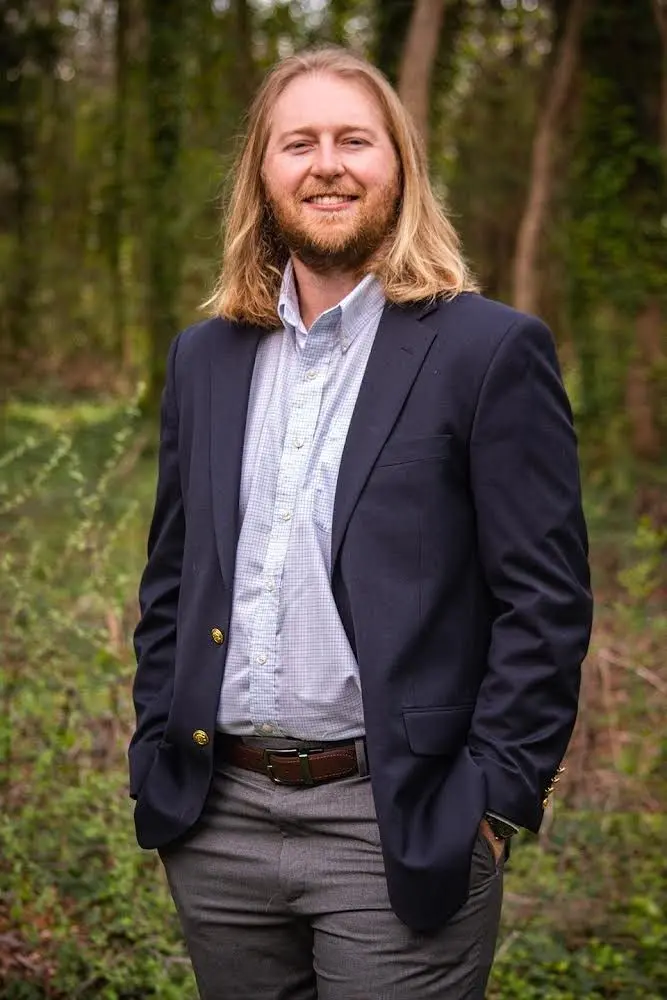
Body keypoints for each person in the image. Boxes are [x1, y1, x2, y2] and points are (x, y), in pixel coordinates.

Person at [129, 46, 593, 1000]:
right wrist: (153, 750)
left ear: (400, 168)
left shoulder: (488, 350)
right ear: (263, 174)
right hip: (217, 827)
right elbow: (174, 577)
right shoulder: (203, 358)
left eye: (354, 140)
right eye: (298, 142)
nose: (326, 165)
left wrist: (492, 800)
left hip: (395, 819)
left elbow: (543, 604)